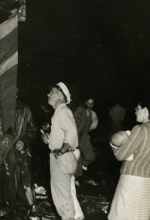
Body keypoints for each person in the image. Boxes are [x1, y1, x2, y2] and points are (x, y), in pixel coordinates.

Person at [108, 99, 150, 220]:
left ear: (146, 110)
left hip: (132, 179)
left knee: (121, 215)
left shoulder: (140, 129)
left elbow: (120, 155)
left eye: (137, 109)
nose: (135, 112)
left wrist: (113, 145)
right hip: (149, 181)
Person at [42, 82, 84, 220]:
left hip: (62, 158)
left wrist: (60, 151)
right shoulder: (59, 112)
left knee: (62, 198)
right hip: (62, 157)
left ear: (60, 95)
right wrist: (49, 140)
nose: (48, 95)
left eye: (52, 92)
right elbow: (63, 136)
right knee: (63, 196)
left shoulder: (63, 111)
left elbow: (71, 135)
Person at [0, 101, 37, 219]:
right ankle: (9, 211)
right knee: (6, 185)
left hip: (20, 154)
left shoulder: (24, 109)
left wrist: (24, 142)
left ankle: (29, 210)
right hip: (2, 156)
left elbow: (32, 131)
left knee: (24, 184)